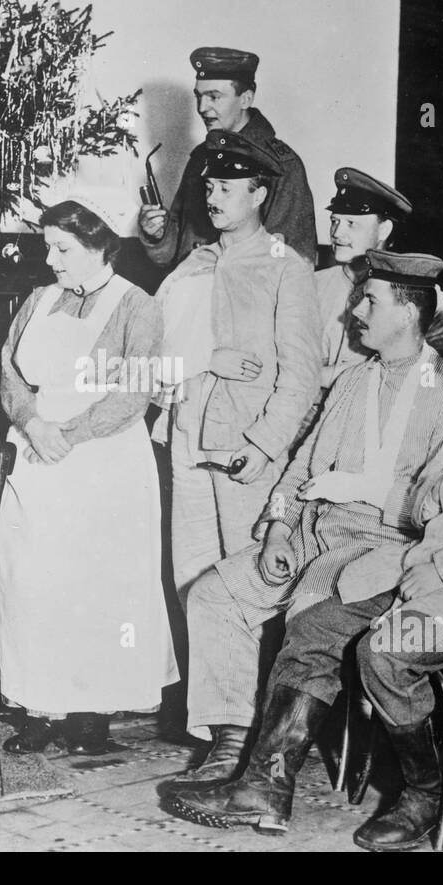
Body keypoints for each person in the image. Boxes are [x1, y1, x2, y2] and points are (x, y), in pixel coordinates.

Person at [167, 286, 443, 848]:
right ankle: (264, 784)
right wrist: (424, 541)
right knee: (315, 626)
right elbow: (424, 498)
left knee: (385, 652)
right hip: (424, 571)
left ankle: (428, 793)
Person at [162, 250, 443, 795]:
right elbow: (300, 466)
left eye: (369, 301)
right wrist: (279, 528)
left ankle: (269, 775)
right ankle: (231, 742)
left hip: (377, 551)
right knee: (211, 595)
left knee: (310, 620)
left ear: (406, 313)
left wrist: (360, 491)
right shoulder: (354, 381)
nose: (355, 311)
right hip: (308, 535)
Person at [0, 198, 178, 756]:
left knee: (95, 585)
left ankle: (90, 711)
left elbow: (134, 393)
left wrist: (65, 434)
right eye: (48, 247)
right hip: (33, 455)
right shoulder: (37, 299)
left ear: (99, 247)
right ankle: (39, 706)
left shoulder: (137, 305)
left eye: (62, 249)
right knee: (31, 581)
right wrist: (31, 422)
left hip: (102, 460)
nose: (51, 260)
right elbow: (7, 370)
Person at [153, 131, 320, 599]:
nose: (213, 198)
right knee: (191, 580)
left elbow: (301, 377)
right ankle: (203, 677)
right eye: (209, 188)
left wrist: (265, 445)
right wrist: (204, 360)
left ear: (259, 194)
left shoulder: (285, 266)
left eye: (227, 188)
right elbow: (151, 348)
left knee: (246, 583)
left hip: (243, 445)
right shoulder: (192, 265)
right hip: (186, 436)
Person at [138, 47, 316, 269]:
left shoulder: (282, 166)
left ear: (246, 99)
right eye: (199, 97)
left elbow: (294, 262)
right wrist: (156, 234)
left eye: (214, 97)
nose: (202, 108)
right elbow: (174, 251)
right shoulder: (201, 158)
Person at [316, 167, 443, 392]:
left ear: (384, 229)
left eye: (351, 223)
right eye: (335, 221)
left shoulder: (418, 291)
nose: (336, 233)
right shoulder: (312, 284)